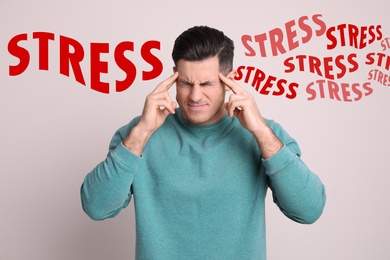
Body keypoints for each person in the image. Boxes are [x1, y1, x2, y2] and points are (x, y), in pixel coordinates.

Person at [81, 25, 326, 260]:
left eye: (207, 84)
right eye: (186, 83)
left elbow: (308, 210)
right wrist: (142, 132)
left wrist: (260, 131)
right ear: (173, 77)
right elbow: (96, 207)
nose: (195, 96)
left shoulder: (265, 134)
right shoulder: (138, 133)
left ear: (230, 81)